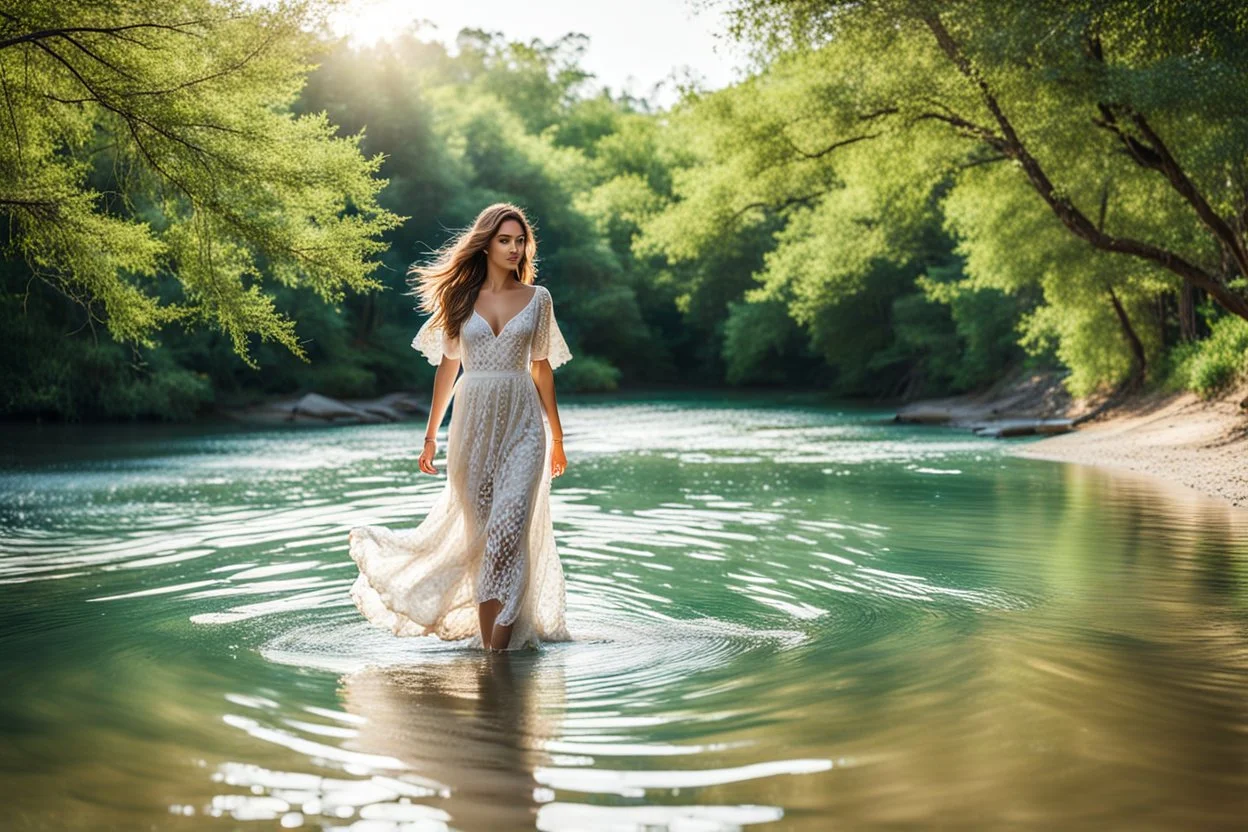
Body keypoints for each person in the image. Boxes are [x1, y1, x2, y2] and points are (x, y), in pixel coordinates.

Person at [347, 203, 574, 652]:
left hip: (523, 422)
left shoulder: (538, 298)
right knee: (482, 538)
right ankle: (493, 652)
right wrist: (430, 434)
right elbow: (448, 369)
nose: (514, 248)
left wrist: (558, 438)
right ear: (486, 243)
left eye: (520, 240)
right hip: (471, 424)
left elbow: (542, 369)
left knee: (508, 533)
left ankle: (500, 654)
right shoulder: (458, 299)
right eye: (505, 240)